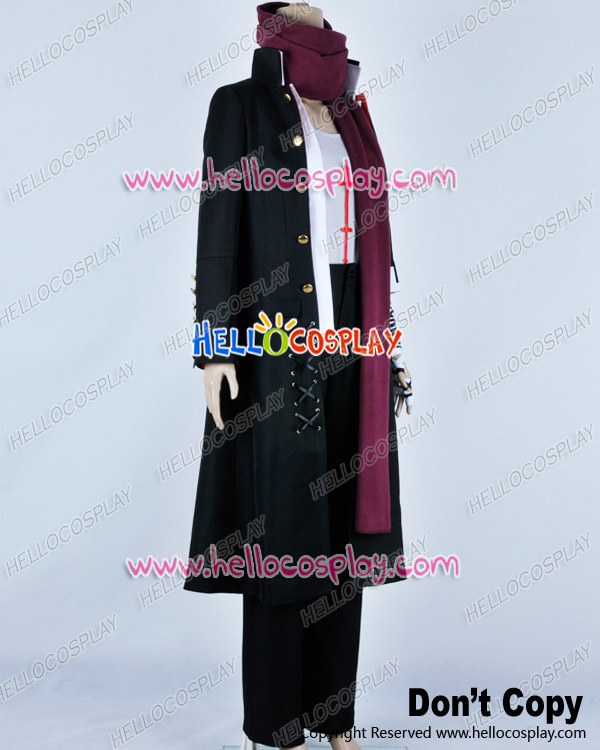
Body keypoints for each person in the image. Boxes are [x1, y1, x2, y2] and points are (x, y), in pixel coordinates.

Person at [184, 4, 413, 748]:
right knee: (282, 532)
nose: (315, 11)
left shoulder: (349, 112)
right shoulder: (241, 107)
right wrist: (215, 348)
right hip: (276, 344)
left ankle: (334, 717)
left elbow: (371, 244)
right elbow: (218, 232)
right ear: (276, 16)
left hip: (356, 347)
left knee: (345, 532)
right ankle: (279, 725)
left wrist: (386, 350)